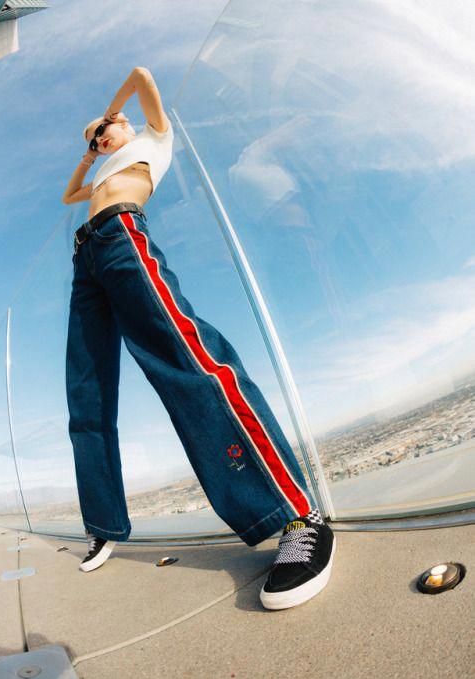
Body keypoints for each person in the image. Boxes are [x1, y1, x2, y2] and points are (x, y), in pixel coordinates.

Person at [62, 66, 336, 610]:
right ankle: (103, 522)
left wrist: (111, 112)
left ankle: (294, 515)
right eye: (94, 136)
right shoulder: (101, 165)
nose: (100, 138)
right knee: (86, 397)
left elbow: (141, 75)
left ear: (123, 124)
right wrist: (91, 152)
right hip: (85, 255)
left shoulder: (151, 141)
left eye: (104, 131)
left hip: (121, 236)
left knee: (188, 360)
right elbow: (73, 193)